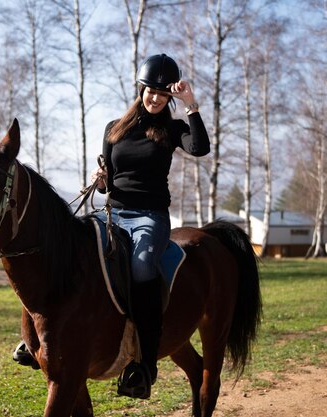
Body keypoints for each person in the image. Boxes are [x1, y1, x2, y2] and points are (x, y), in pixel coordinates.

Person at [91, 53, 210, 399]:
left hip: (149, 217)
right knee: (73, 243)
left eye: (163, 93)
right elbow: (108, 180)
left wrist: (190, 104)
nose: (156, 98)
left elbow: (200, 147)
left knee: (143, 267)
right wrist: (99, 181)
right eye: (151, 91)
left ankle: (144, 364)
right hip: (113, 212)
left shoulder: (172, 129)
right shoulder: (114, 127)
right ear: (140, 89)